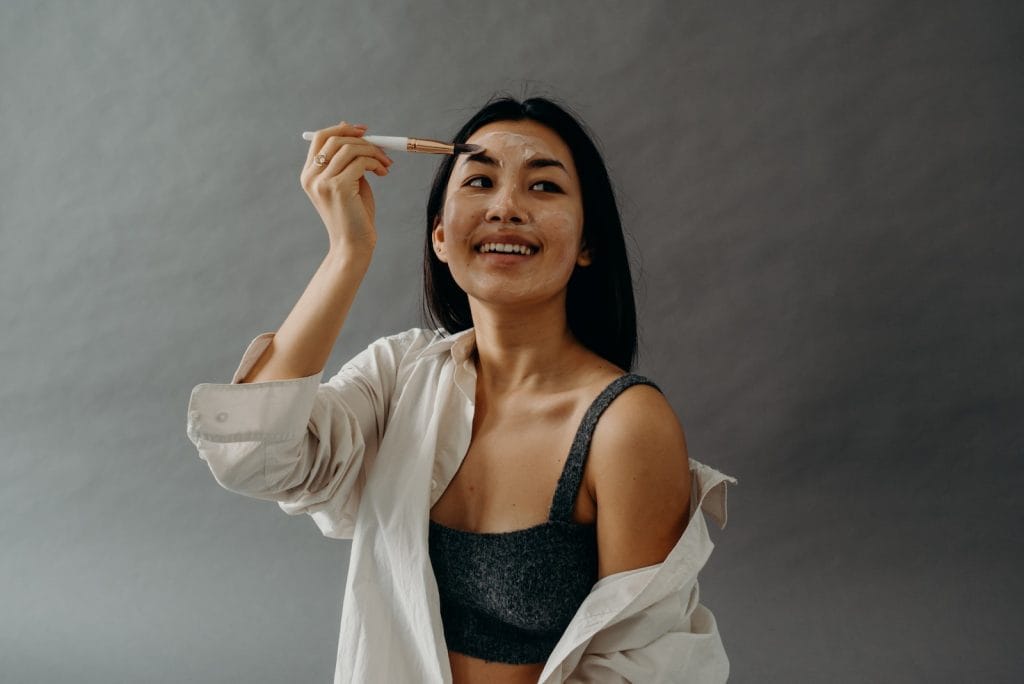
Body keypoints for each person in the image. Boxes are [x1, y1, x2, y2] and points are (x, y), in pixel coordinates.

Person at [186, 95, 738, 683]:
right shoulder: (401, 376)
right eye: (479, 179)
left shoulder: (624, 426)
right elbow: (253, 457)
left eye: (544, 187)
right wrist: (347, 254)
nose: (506, 207)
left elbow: (649, 669)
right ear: (441, 237)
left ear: (586, 244)